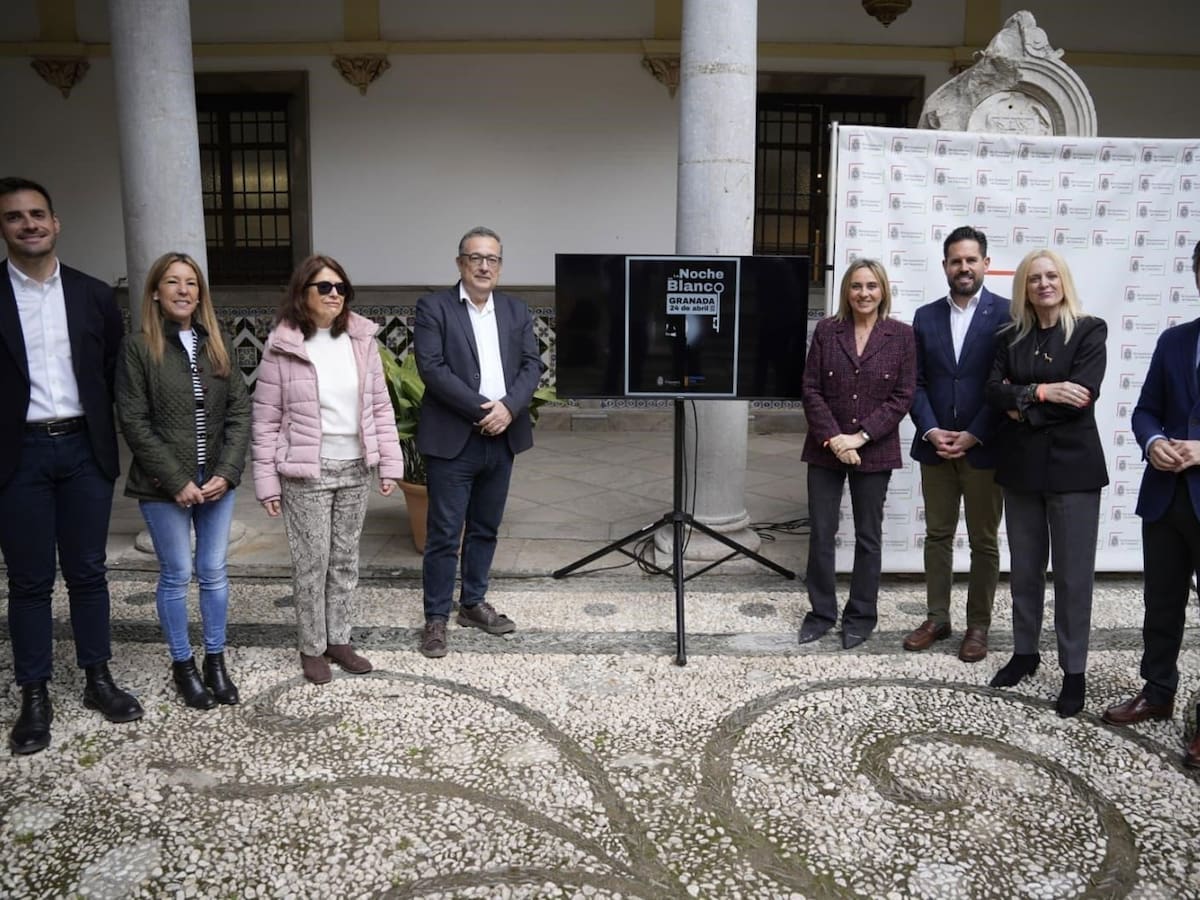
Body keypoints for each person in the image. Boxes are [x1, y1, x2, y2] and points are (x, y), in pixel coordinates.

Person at [0, 176, 143, 755]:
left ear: (56, 223)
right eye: (15, 217)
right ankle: (34, 693)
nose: (29, 224)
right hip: (19, 456)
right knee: (30, 581)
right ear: (4, 228)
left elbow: (110, 369)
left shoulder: (91, 295)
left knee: (88, 573)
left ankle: (97, 678)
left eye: (38, 214)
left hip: (83, 450)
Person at [251, 254, 403, 684]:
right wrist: (267, 482)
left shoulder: (361, 340)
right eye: (324, 287)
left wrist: (389, 462)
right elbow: (265, 418)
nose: (335, 294)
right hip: (306, 472)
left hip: (355, 467)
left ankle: (339, 639)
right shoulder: (283, 345)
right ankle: (312, 646)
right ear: (303, 293)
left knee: (344, 561)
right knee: (311, 562)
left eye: (341, 288)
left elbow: (379, 406)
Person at [116, 252, 250, 709]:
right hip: (163, 485)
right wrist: (175, 480)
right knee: (176, 574)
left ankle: (215, 659)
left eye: (190, 283)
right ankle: (183, 664)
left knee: (213, 572)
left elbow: (239, 412)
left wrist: (227, 473)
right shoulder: (139, 347)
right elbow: (133, 420)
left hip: (215, 482)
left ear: (200, 293)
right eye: (172, 282)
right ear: (155, 291)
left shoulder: (220, 343)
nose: (182, 290)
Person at [985, 248, 1107, 718]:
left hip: (1074, 472)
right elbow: (992, 391)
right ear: (1024, 287)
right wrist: (1039, 390)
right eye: (1034, 278)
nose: (1043, 284)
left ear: (1064, 281)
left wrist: (1023, 408)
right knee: (1025, 570)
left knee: (1074, 578)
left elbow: (1081, 396)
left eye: (1051, 276)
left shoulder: (1090, 330)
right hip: (1021, 471)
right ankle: (1025, 652)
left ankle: (1073, 671)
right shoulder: (1009, 336)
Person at [414, 227, 544, 659]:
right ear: (460, 264)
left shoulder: (515, 310)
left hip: (502, 438)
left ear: (501, 266)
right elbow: (432, 369)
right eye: (475, 258)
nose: (484, 265)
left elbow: (531, 365)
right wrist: (483, 410)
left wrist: (508, 408)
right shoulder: (434, 308)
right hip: (455, 439)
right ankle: (435, 617)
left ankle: (472, 603)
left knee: (486, 528)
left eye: (492, 258)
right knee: (444, 533)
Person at [1101, 239, 1200, 768]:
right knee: (1162, 606)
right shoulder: (1175, 341)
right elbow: (1145, 410)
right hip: (1166, 498)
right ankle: (1157, 692)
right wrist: (1152, 442)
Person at [799, 258, 916, 649]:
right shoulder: (827, 331)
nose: (864, 293)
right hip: (825, 448)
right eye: (856, 286)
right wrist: (834, 439)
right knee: (821, 531)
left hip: (874, 450)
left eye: (872, 286)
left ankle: (861, 616)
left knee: (869, 536)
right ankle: (821, 613)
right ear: (846, 291)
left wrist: (860, 438)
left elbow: (903, 395)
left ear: (883, 291)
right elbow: (811, 388)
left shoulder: (900, 336)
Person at [905, 227, 1008, 663]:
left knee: (984, 541)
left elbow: (1006, 384)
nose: (963, 267)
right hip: (935, 447)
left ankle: (978, 626)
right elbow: (915, 383)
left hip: (984, 448)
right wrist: (931, 430)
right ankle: (937, 617)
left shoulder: (1008, 315)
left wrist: (974, 432)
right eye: (955, 261)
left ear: (985, 263)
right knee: (938, 535)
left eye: (971, 260)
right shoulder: (925, 316)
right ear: (945, 265)